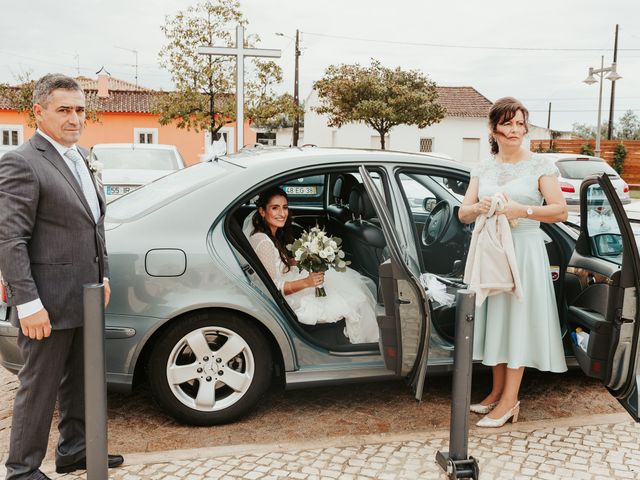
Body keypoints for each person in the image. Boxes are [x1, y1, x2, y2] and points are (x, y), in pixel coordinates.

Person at [0, 74, 123, 479]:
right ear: (39, 111)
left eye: (80, 110)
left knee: (83, 383)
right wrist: (28, 304)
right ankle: (22, 470)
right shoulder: (22, 161)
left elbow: (93, 225)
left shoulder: (82, 156)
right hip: (46, 304)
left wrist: (102, 277)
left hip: (86, 296)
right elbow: (10, 239)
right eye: (64, 110)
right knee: (39, 389)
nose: (75, 119)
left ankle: (75, 451)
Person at [458, 97, 568, 428]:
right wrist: (480, 207)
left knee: (517, 320)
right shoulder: (482, 167)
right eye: (508, 124)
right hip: (493, 252)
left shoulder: (540, 166)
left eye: (520, 123)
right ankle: (495, 391)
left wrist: (523, 210)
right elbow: (463, 213)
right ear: (493, 129)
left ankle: (509, 402)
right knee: (497, 319)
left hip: (525, 252)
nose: (515, 130)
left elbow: (561, 210)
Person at [247, 187, 379, 344]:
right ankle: (366, 344)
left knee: (348, 288)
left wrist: (303, 260)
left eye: (285, 207)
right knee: (354, 299)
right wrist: (306, 282)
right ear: (262, 211)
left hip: (291, 277)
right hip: (288, 296)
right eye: (275, 208)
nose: (282, 213)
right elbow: (271, 286)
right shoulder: (263, 242)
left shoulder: (271, 235)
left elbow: (276, 263)